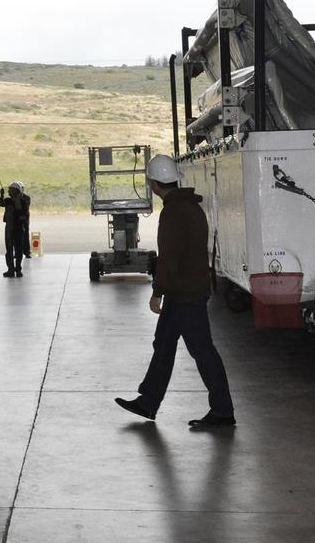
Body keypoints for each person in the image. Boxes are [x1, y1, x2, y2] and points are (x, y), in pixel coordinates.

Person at [115, 155, 235, 429]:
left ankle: (223, 410)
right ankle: (148, 401)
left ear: (155, 183)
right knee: (164, 344)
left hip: (184, 295)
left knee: (202, 351)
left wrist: (158, 291)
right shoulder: (191, 207)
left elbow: (169, 257)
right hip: (189, 290)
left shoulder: (173, 212)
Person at [0, 181, 30, 278]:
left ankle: (18, 269)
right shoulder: (7, 200)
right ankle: (11, 270)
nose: (9, 191)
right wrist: (1, 195)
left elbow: (23, 215)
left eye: (10, 189)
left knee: (18, 249)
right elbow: (1, 203)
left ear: (16, 191)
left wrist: (18, 204)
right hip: (9, 227)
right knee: (9, 249)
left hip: (18, 228)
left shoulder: (23, 201)